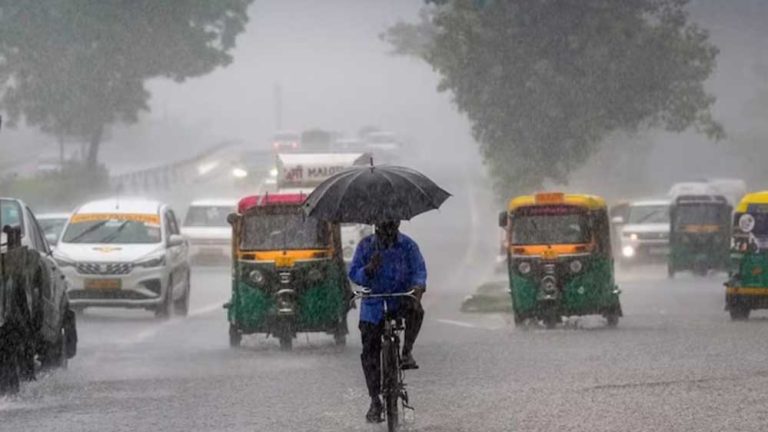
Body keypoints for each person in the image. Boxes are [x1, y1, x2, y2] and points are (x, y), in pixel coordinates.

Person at [348, 220, 427, 423]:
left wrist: (418, 286)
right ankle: (375, 400)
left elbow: (419, 270)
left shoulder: (408, 246)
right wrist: (368, 270)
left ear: (398, 224)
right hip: (373, 305)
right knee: (369, 354)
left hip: (400, 299)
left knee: (417, 311)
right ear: (376, 227)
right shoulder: (366, 246)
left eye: (391, 226)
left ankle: (407, 352)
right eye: (383, 227)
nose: (387, 232)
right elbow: (354, 273)